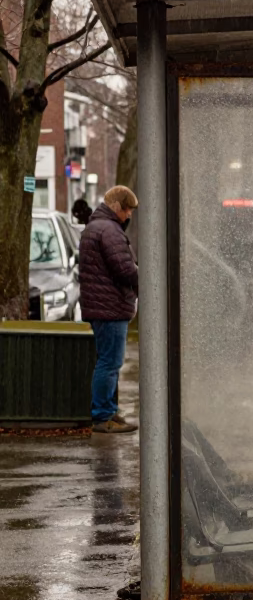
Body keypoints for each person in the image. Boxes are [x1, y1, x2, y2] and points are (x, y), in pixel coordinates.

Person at [78, 186, 140, 434]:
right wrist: (142, 278)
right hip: (109, 308)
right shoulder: (109, 230)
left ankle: (109, 412)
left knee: (109, 361)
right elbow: (124, 269)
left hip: (101, 307)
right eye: (127, 209)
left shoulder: (96, 227)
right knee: (109, 362)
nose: (129, 215)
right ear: (116, 206)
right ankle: (103, 417)